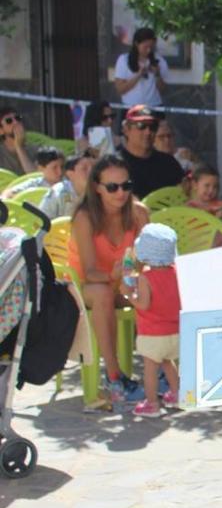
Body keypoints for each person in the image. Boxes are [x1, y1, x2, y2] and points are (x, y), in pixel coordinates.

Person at [67, 154, 152, 403]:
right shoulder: (85, 217)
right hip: (87, 286)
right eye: (112, 187)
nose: (120, 193)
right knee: (103, 291)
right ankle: (114, 377)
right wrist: (113, 275)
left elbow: (150, 259)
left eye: (126, 185)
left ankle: (163, 371)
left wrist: (133, 272)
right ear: (97, 187)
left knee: (163, 284)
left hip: (126, 284)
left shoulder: (138, 213)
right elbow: (90, 271)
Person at [121, 223, 181, 417]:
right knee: (168, 362)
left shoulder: (146, 277)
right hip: (175, 332)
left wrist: (129, 295)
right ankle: (177, 394)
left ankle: (152, 403)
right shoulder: (175, 272)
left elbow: (144, 304)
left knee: (150, 369)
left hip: (152, 333)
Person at [116, 105, 185, 199]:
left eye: (152, 126)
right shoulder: (116, 165)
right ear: (126, 130)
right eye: (141, 126)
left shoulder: (168, 162)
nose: (148, 132)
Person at [113, 27, 168, 107]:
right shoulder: (124, 60)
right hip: (131, 107)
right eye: (145, 47)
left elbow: (163, 90)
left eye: (151, 47)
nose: (148, 50)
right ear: (136, 44)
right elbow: (120, 89)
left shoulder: (159, 60)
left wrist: (157, 74)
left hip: (154, 106)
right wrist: (138, 76)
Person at [40, 154, 92, 220]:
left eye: (93, 167)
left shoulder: (100, 192)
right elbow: (41, 221)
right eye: (84, 169)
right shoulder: (58, 193)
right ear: (70, 174)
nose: (91, 172)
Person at [0, 107, 35, 174]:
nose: (16, 122)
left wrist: (19, 147)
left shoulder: (35, 149)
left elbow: (36, 177)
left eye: (18, 118)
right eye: (9, 121)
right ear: (1, 131)